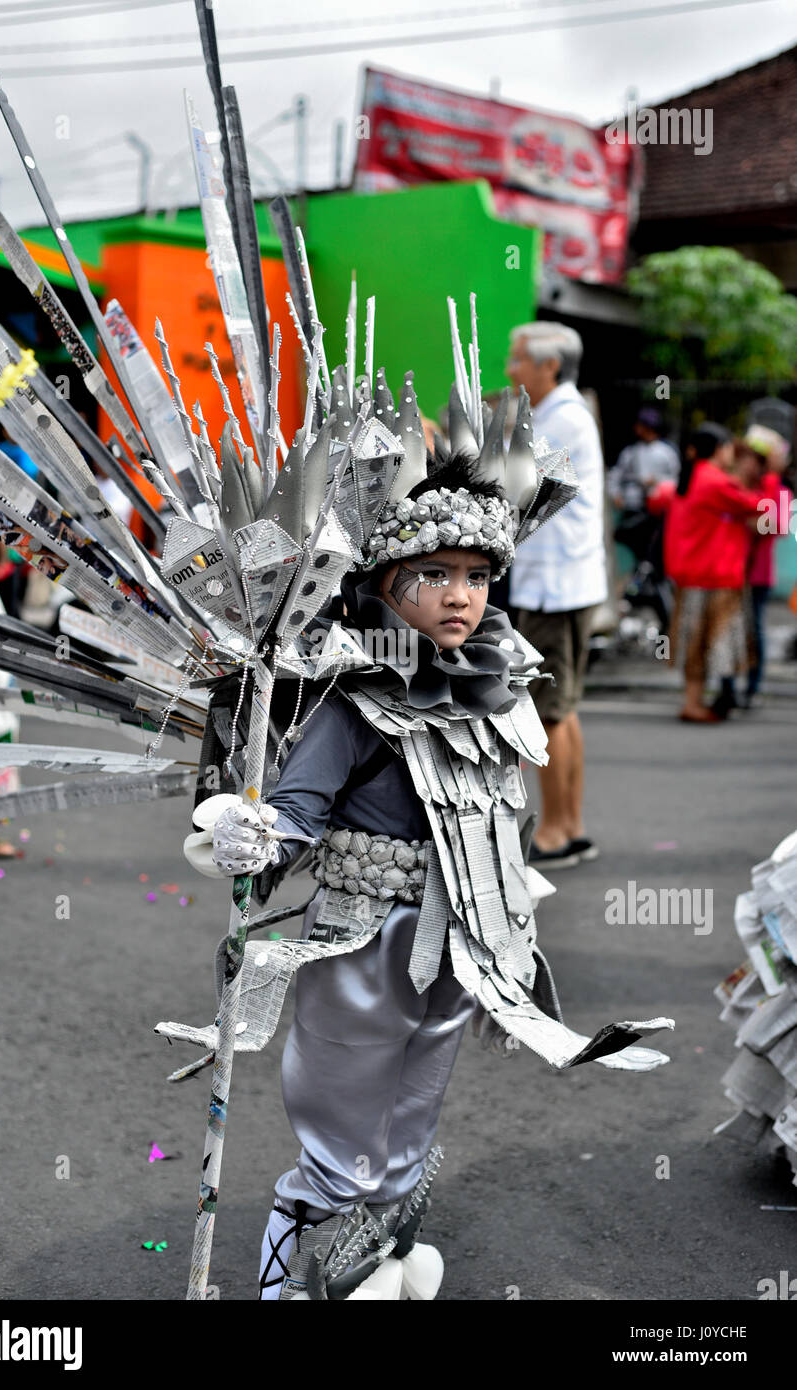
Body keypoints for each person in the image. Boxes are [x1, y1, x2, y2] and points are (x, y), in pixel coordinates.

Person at [184, 377, 672, 1303]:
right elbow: (298, 811)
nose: (461, 597)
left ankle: (388, 1257)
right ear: (382, 585)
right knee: (341, 1111)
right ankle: (295, 1277)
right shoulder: (356, 699)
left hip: (461, 947)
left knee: (415, 1109)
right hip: (364, 942)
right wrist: (254, 840)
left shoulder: (499, 684)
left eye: (478, 577)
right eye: (435, 576)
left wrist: (515, 895)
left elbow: (501, 807)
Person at [503, 321, 608, 870]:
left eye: (518, 359)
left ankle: (556, 833)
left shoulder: (562, 418)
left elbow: (513, 483)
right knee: (560, 710)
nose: (509, 369)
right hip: (559, 581)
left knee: (548, 710)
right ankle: (569, 826)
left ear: (550, 365)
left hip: (557, 585)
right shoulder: (559, 414)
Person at [658, 423, 764, 723]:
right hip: (712, 576)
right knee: (705, 644)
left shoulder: (693, 477)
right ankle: (694, 703)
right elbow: (754, 505)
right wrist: (770, 481)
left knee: (694, 642)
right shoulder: (714, 481)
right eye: (729, 446)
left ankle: (693, 701)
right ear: (719, 450)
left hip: (692, 575)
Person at [740, 424, 792, 706]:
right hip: (731, 570)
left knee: (754, 628)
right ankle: (728, 686)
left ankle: (752, 687)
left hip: (758, 572)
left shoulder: (779, 489)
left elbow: (774, 526)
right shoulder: (739, 484)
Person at [608, 405, 679, 563]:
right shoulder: (630, 452)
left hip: (658, 509)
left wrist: (658, 481)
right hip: (633, 506)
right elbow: (615, 476)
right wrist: (616, 494)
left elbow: (676, 480)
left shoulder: (667, 452)